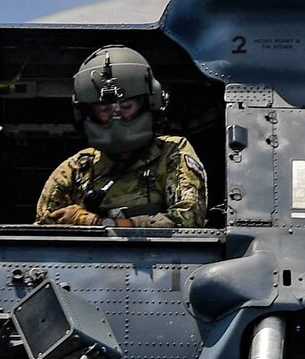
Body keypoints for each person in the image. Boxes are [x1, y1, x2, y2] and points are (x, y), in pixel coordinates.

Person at [34, 45, 207, 228]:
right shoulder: (79, 167)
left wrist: (120, 225)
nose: (116, 115)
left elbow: (188, 216)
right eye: (104, 109)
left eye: (126, 105)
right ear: (88, 113)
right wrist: (97, 222)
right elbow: (45, 218)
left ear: (150, 104)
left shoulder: (171, 153)